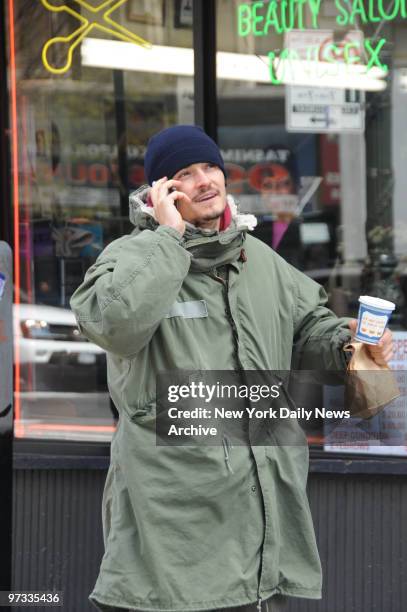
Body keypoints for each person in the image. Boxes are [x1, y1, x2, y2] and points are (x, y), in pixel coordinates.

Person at [70, 125, 393, 612]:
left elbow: (308, 332)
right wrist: (169, 239)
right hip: (174, 525)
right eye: (184, 173)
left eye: (210, 168)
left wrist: (351, 342)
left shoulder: (258, 259)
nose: (204, 181)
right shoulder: (131, 257)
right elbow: (113, 324)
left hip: (262, 513)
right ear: (160, 192)